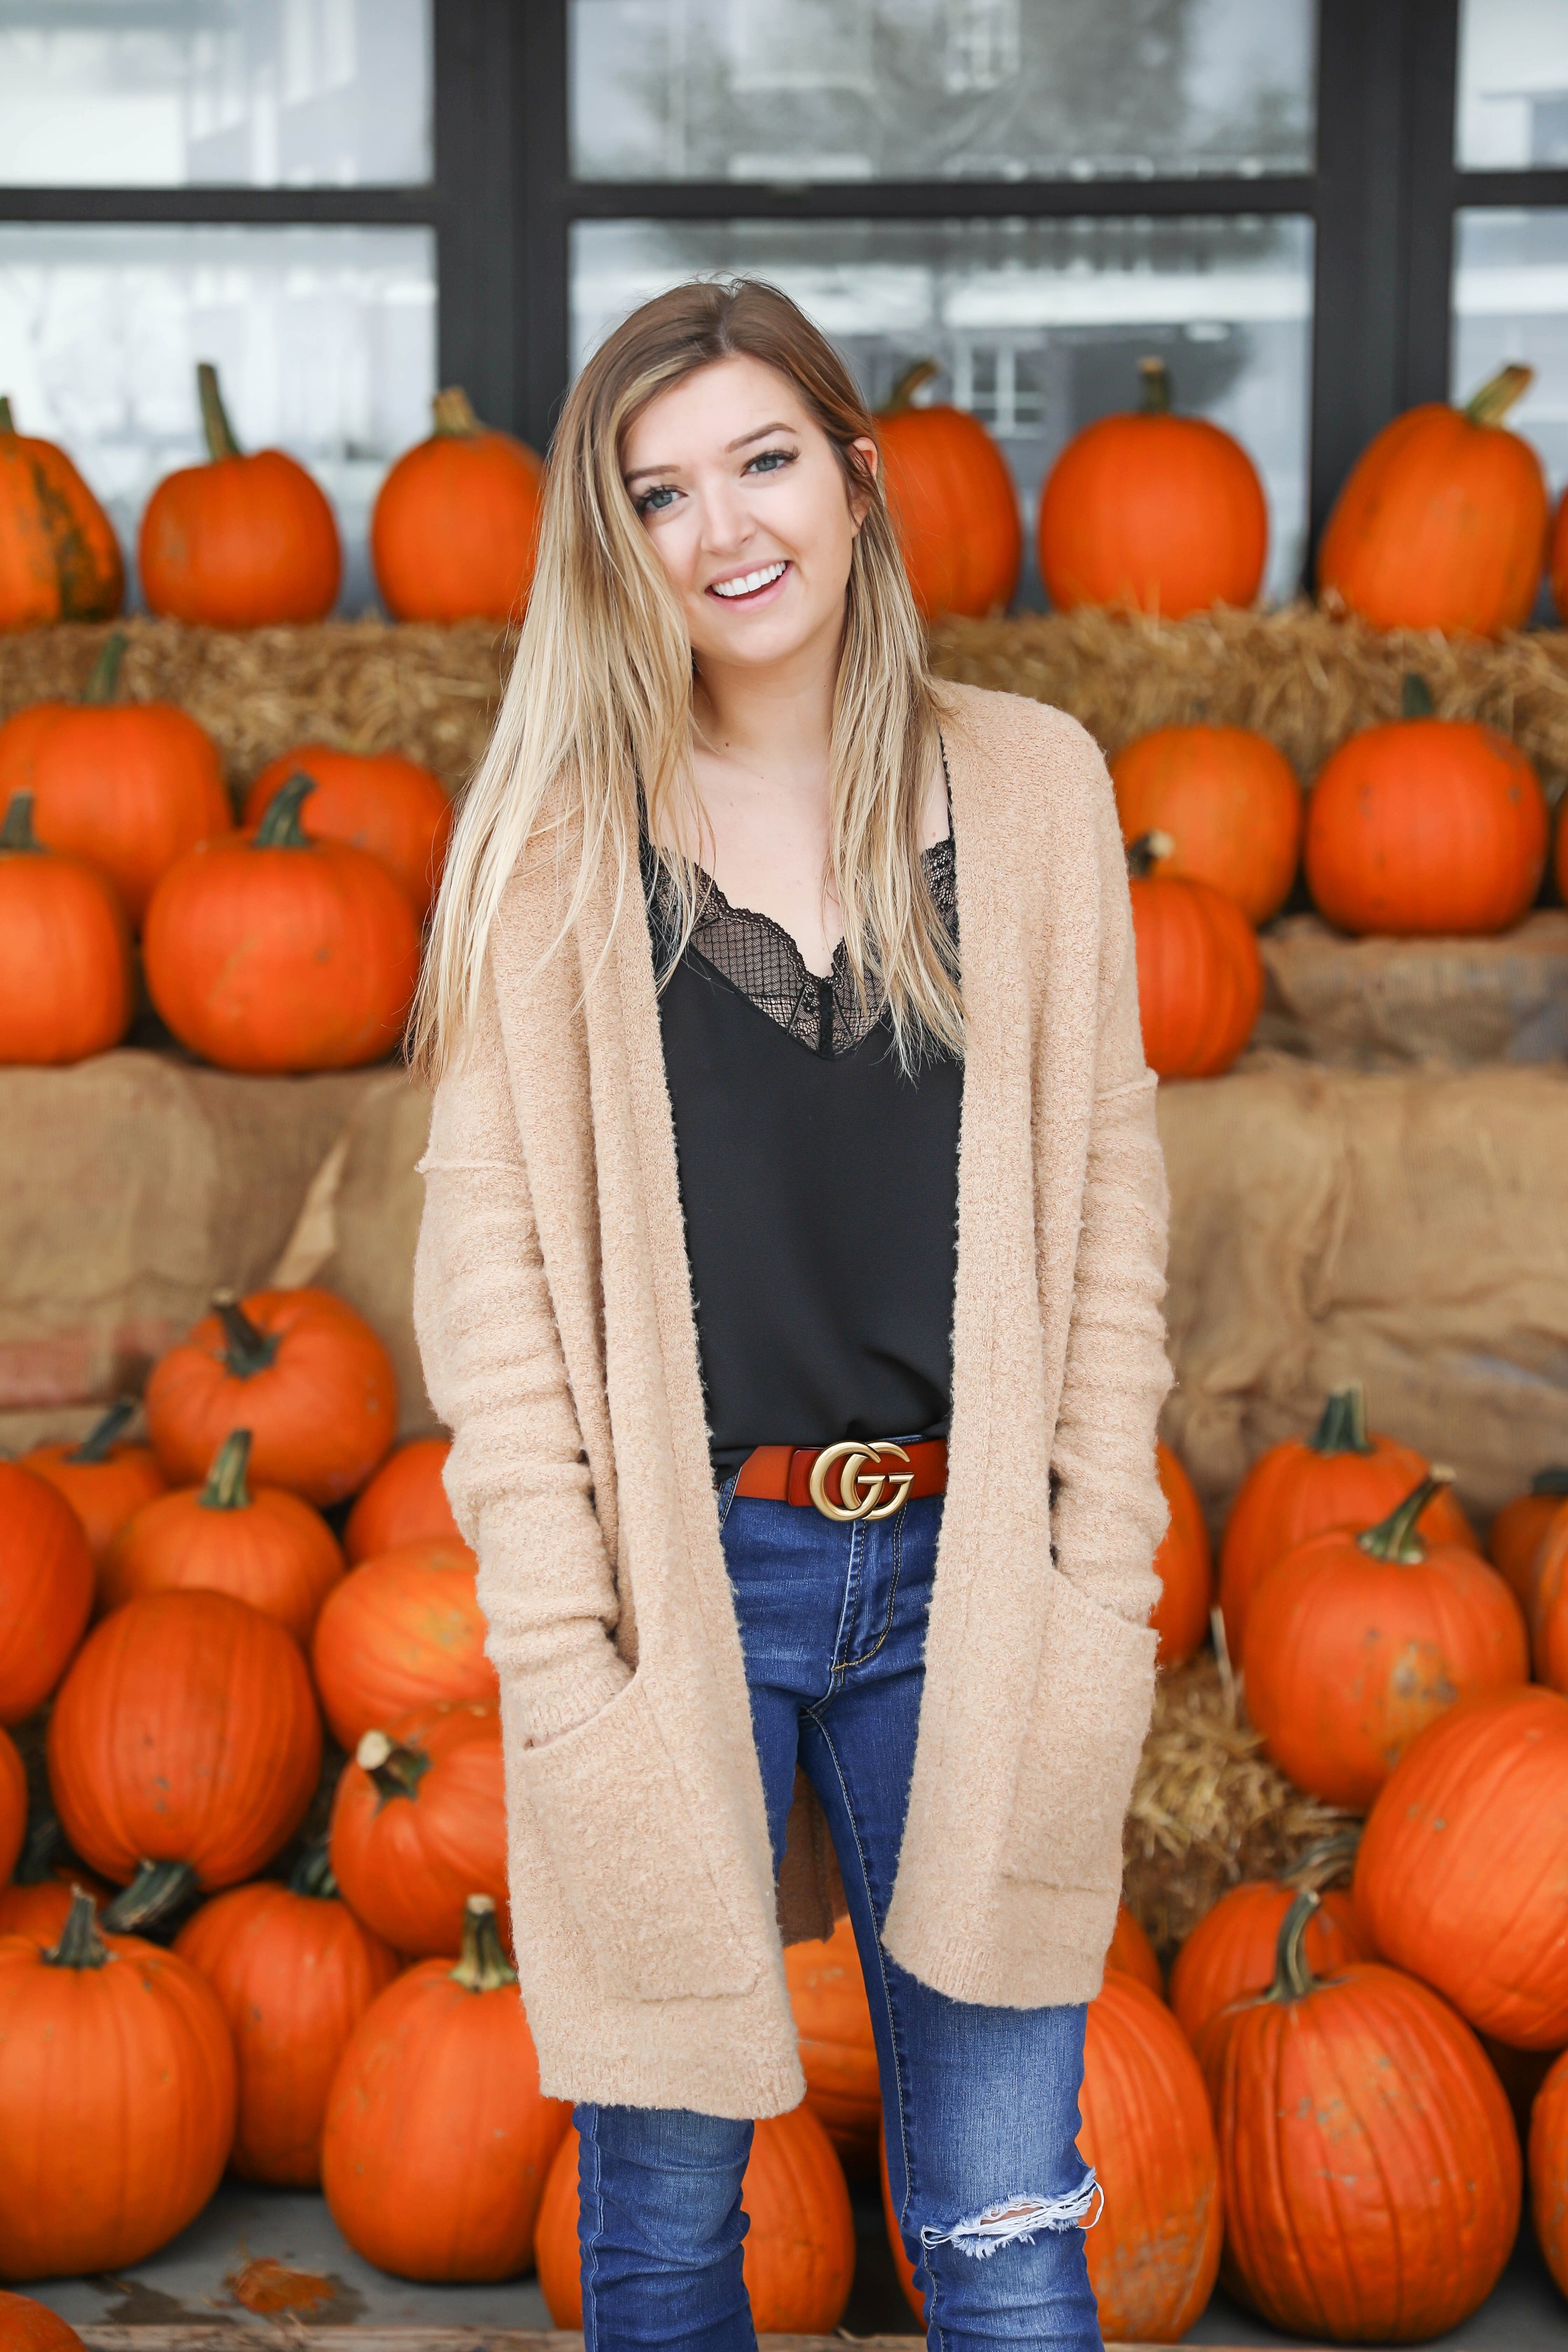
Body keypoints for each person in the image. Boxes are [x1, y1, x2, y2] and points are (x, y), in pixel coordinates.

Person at [411, 276, 1171, 2352]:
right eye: (660, 494)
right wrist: (561, 1667)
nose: (724, 529)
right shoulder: (554, 853)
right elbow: (490, 1298)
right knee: (662, 2235)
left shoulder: (1031, 793)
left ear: (856, 478)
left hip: (974, 1584)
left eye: (762, 461)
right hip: (686, 1593)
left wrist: (1103, 1591)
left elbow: (1110, 1227)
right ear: (613, 546)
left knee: (1010, 2221)